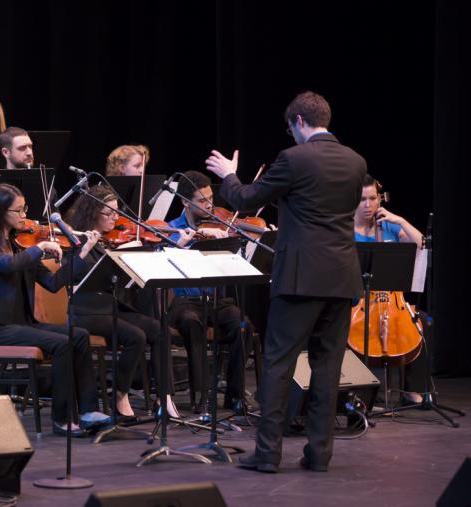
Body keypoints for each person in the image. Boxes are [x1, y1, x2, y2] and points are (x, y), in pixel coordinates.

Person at [206, 91, 367, 473]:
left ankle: (267, 455)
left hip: (300, 278)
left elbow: (246, 200)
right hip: (342, 277)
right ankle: (319, 455)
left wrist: (228, 174)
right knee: (327, 368)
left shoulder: (294, 158)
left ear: (297, 122)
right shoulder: (356, 161)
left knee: (278, 363)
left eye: (289, 128)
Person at [0, 183, 111, 436]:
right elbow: (7, 265)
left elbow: (52, 283)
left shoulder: (19, 245)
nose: (24, 215)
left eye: (24, 208)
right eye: (18, 210)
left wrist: (82, 253)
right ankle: (61, 419)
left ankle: (88, 411)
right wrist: (41, 248)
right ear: (0, 211)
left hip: (23, 323)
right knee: (62, 344)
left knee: (78, 335)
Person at [66, 184, 179, 419]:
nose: (115, 218)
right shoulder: (76, 240)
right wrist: (107, 254)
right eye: (109, 213)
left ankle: (164, 396)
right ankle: (120, 394)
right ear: (92, 213)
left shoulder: (109, 239)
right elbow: (73, 275)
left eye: (117, 212)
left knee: (159, 330)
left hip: (109, 307)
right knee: (135, 336)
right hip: (85, 311)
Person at [167, 170, 255, 414]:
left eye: (211, 198)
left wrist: (230, 243)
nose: (210, 205)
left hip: (216, 299)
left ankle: (235, 397)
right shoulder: (171, 229)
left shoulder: (221, 225)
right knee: (192, 322)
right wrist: (184, 243)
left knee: (243, 325)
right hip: (183, 302)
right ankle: (201, 396)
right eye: (202, 201)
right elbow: (163, 260)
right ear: (185, 201)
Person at [354, 174, 428, 404]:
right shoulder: (344, 229)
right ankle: (355, 391)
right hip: (357, 301)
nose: (368, 205)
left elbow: (420, 245)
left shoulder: (390, 227)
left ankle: (412, 390)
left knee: (420, 321)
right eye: (362, 199)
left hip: (391, 300)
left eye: (373, 198)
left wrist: (401, 221)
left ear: (380, 199)